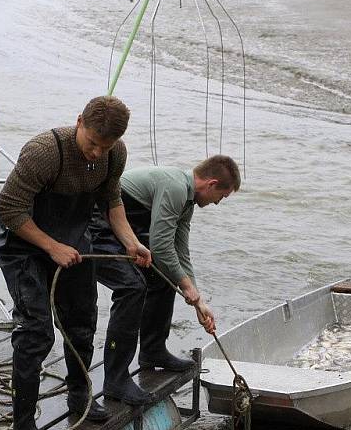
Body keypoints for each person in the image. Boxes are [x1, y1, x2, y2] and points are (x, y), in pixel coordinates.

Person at [0, 96, 151, 430]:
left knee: (82, 323)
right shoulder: (45, 152)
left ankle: (80, 396)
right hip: (26, 247)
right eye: (92, 142)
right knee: (36, 333)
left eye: (105, 146)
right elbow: (9, 208)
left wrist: (132, 243)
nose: (97, 152)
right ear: (79, 121)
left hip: (75, 244)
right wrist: (51, 247)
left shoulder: (114, 155)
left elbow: (112, 202)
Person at [90, 155, 240, 401]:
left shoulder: (187, 200)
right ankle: (115, 380)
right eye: (221, 197)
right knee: (132, 288)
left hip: (126, 226)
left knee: (162, 279)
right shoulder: (176, 188)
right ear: (211, 184)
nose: (217, 203)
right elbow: (160, 246)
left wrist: (197, 298)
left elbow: (180, 249)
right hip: (99, 221)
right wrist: (187, 287)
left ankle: (153, 351)